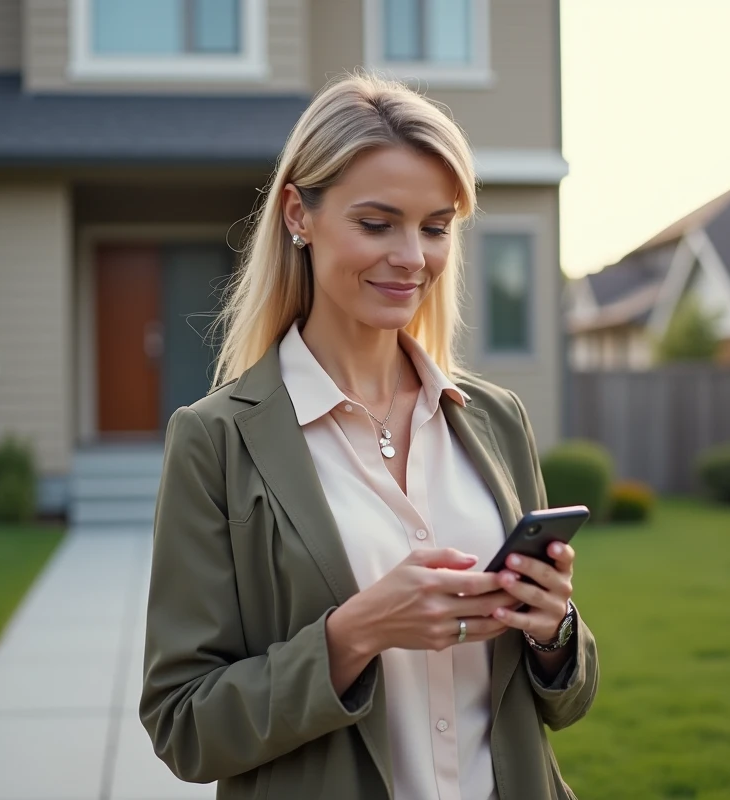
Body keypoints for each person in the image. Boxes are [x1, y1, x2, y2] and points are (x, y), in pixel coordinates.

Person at [139, 73, 599, 800]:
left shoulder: (496, 419)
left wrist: (552, 631)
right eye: (377, 224)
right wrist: (354, 633)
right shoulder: (215, 441)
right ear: (299, 213)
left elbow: (562, 703)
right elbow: (185, 725)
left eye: (436, 227)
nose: (412, 257)